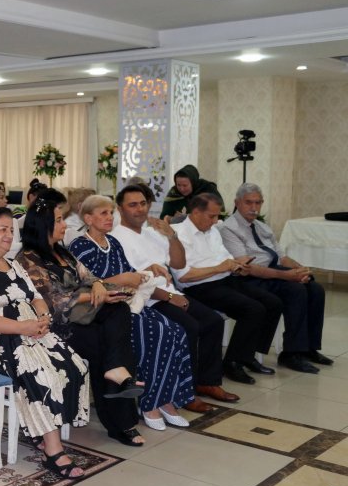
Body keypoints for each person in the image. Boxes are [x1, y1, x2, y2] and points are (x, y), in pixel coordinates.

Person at [0, 207, 89, 478]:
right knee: (43, 373)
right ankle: (53, 451)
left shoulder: (14, 265)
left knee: (74, 365)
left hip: (31, 329)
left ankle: (43, 429)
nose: (8, 235)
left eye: (10, 230)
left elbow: (36, 297)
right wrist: (22, 327)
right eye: (1, 230)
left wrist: (41, 318)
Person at [16, 191, 146, 447]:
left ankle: (116, 374)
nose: (65, 225)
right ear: (44, 225)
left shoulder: (62, 253)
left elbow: (88, 275)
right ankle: (122, 422)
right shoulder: (28, 259)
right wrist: (94, 296)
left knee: (119, 314)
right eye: (59, 220)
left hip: (84, 317)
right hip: (58, 326)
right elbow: (53, 301)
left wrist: (98, 285)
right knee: (106, 345)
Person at [69, 195, 196, 431]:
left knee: (176, 331)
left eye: (110, 212)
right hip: (103, 311)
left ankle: (166, 400)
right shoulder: (80, 246)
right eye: (103, 213)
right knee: (155, 333)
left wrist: (146, 271)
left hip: (128, 303)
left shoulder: (113, 243)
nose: (109, 217)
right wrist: (123, 280)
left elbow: (130, 274)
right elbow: (84, 284)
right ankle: (150, 404)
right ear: (88, 218)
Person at [112, 185, 238, 411]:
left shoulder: (152, 232)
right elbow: (136, 281)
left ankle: (207, 382)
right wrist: (169, 297)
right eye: (132, 205)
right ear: (120, 208)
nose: (139, 209)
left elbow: (178, 264)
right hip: (147, 298)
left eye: (143, 204)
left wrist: (172, 236)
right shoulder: (117, 238)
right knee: (189, 326)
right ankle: (183, 393)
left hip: (171, 292)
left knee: (212, 321)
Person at [172, 193, 282, 384]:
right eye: (211, 216)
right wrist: (220, 267)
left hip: (224, 279)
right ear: (196, 212)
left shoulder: (213, 231)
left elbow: (224, 259)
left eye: (217, 216)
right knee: (253, 309)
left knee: (272, 303)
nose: (216, 221)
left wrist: (238, 265)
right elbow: (184, 276)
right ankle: (232, 362)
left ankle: (248, 356)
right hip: (199, 287)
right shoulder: (178, 234)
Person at [219, 183, 330, 372]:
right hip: (248, 278)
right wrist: (287, 276)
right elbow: (248, 267)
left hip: (272, 272)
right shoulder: (229, 229)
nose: (254, 208)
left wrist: (300, 270)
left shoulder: (263, 227)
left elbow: (281, 257)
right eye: (248, 203)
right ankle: (291, 353)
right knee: (295, 290)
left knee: (315, 288)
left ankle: (309, 347)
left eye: (258, 203)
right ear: (237, 203)